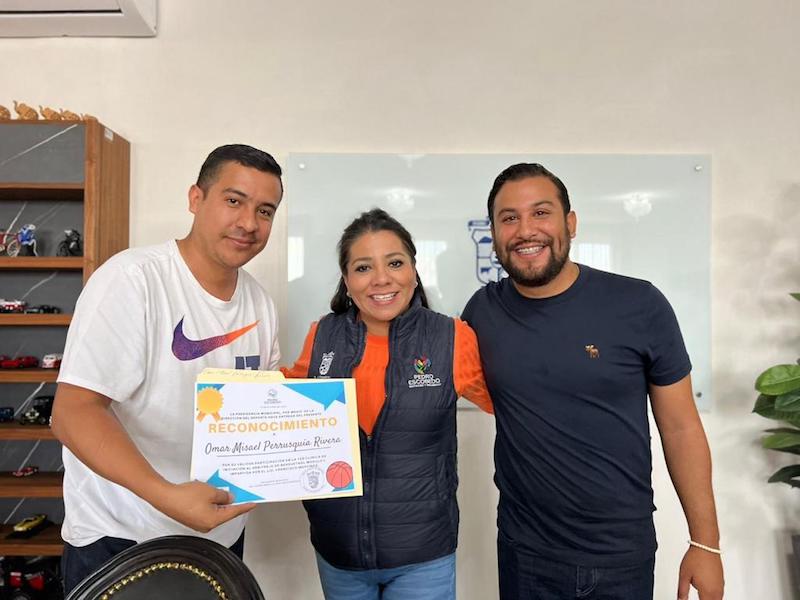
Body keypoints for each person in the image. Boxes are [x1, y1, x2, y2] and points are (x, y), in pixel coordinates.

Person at [462, 163, 724, 600]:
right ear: (493, 232)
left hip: (620, 556)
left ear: (571, 222)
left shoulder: (639, 304)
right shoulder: (482, 312)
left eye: (541, 213)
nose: (526, 230)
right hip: (524, 554)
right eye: (509, 218)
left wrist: (705, 543)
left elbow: (681, 427)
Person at [51, 144, 283, 594]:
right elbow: (73, 412)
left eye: (265, 210)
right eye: (233, 200)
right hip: (122, 538)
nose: (249, 223)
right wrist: (167, 496)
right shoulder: (133, 280)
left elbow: (258, 415)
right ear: (196, 198)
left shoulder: (260, 302)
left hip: (219, 536)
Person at [283, 208, 493, 600]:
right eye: (363, 268)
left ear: (414, 270)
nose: (381, 279)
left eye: (394, 263)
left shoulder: (452, 338)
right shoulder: (322, 335)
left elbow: (517, 404)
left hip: (423, 555)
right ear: (347, 281)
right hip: (339, 553)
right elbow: (282, 400)